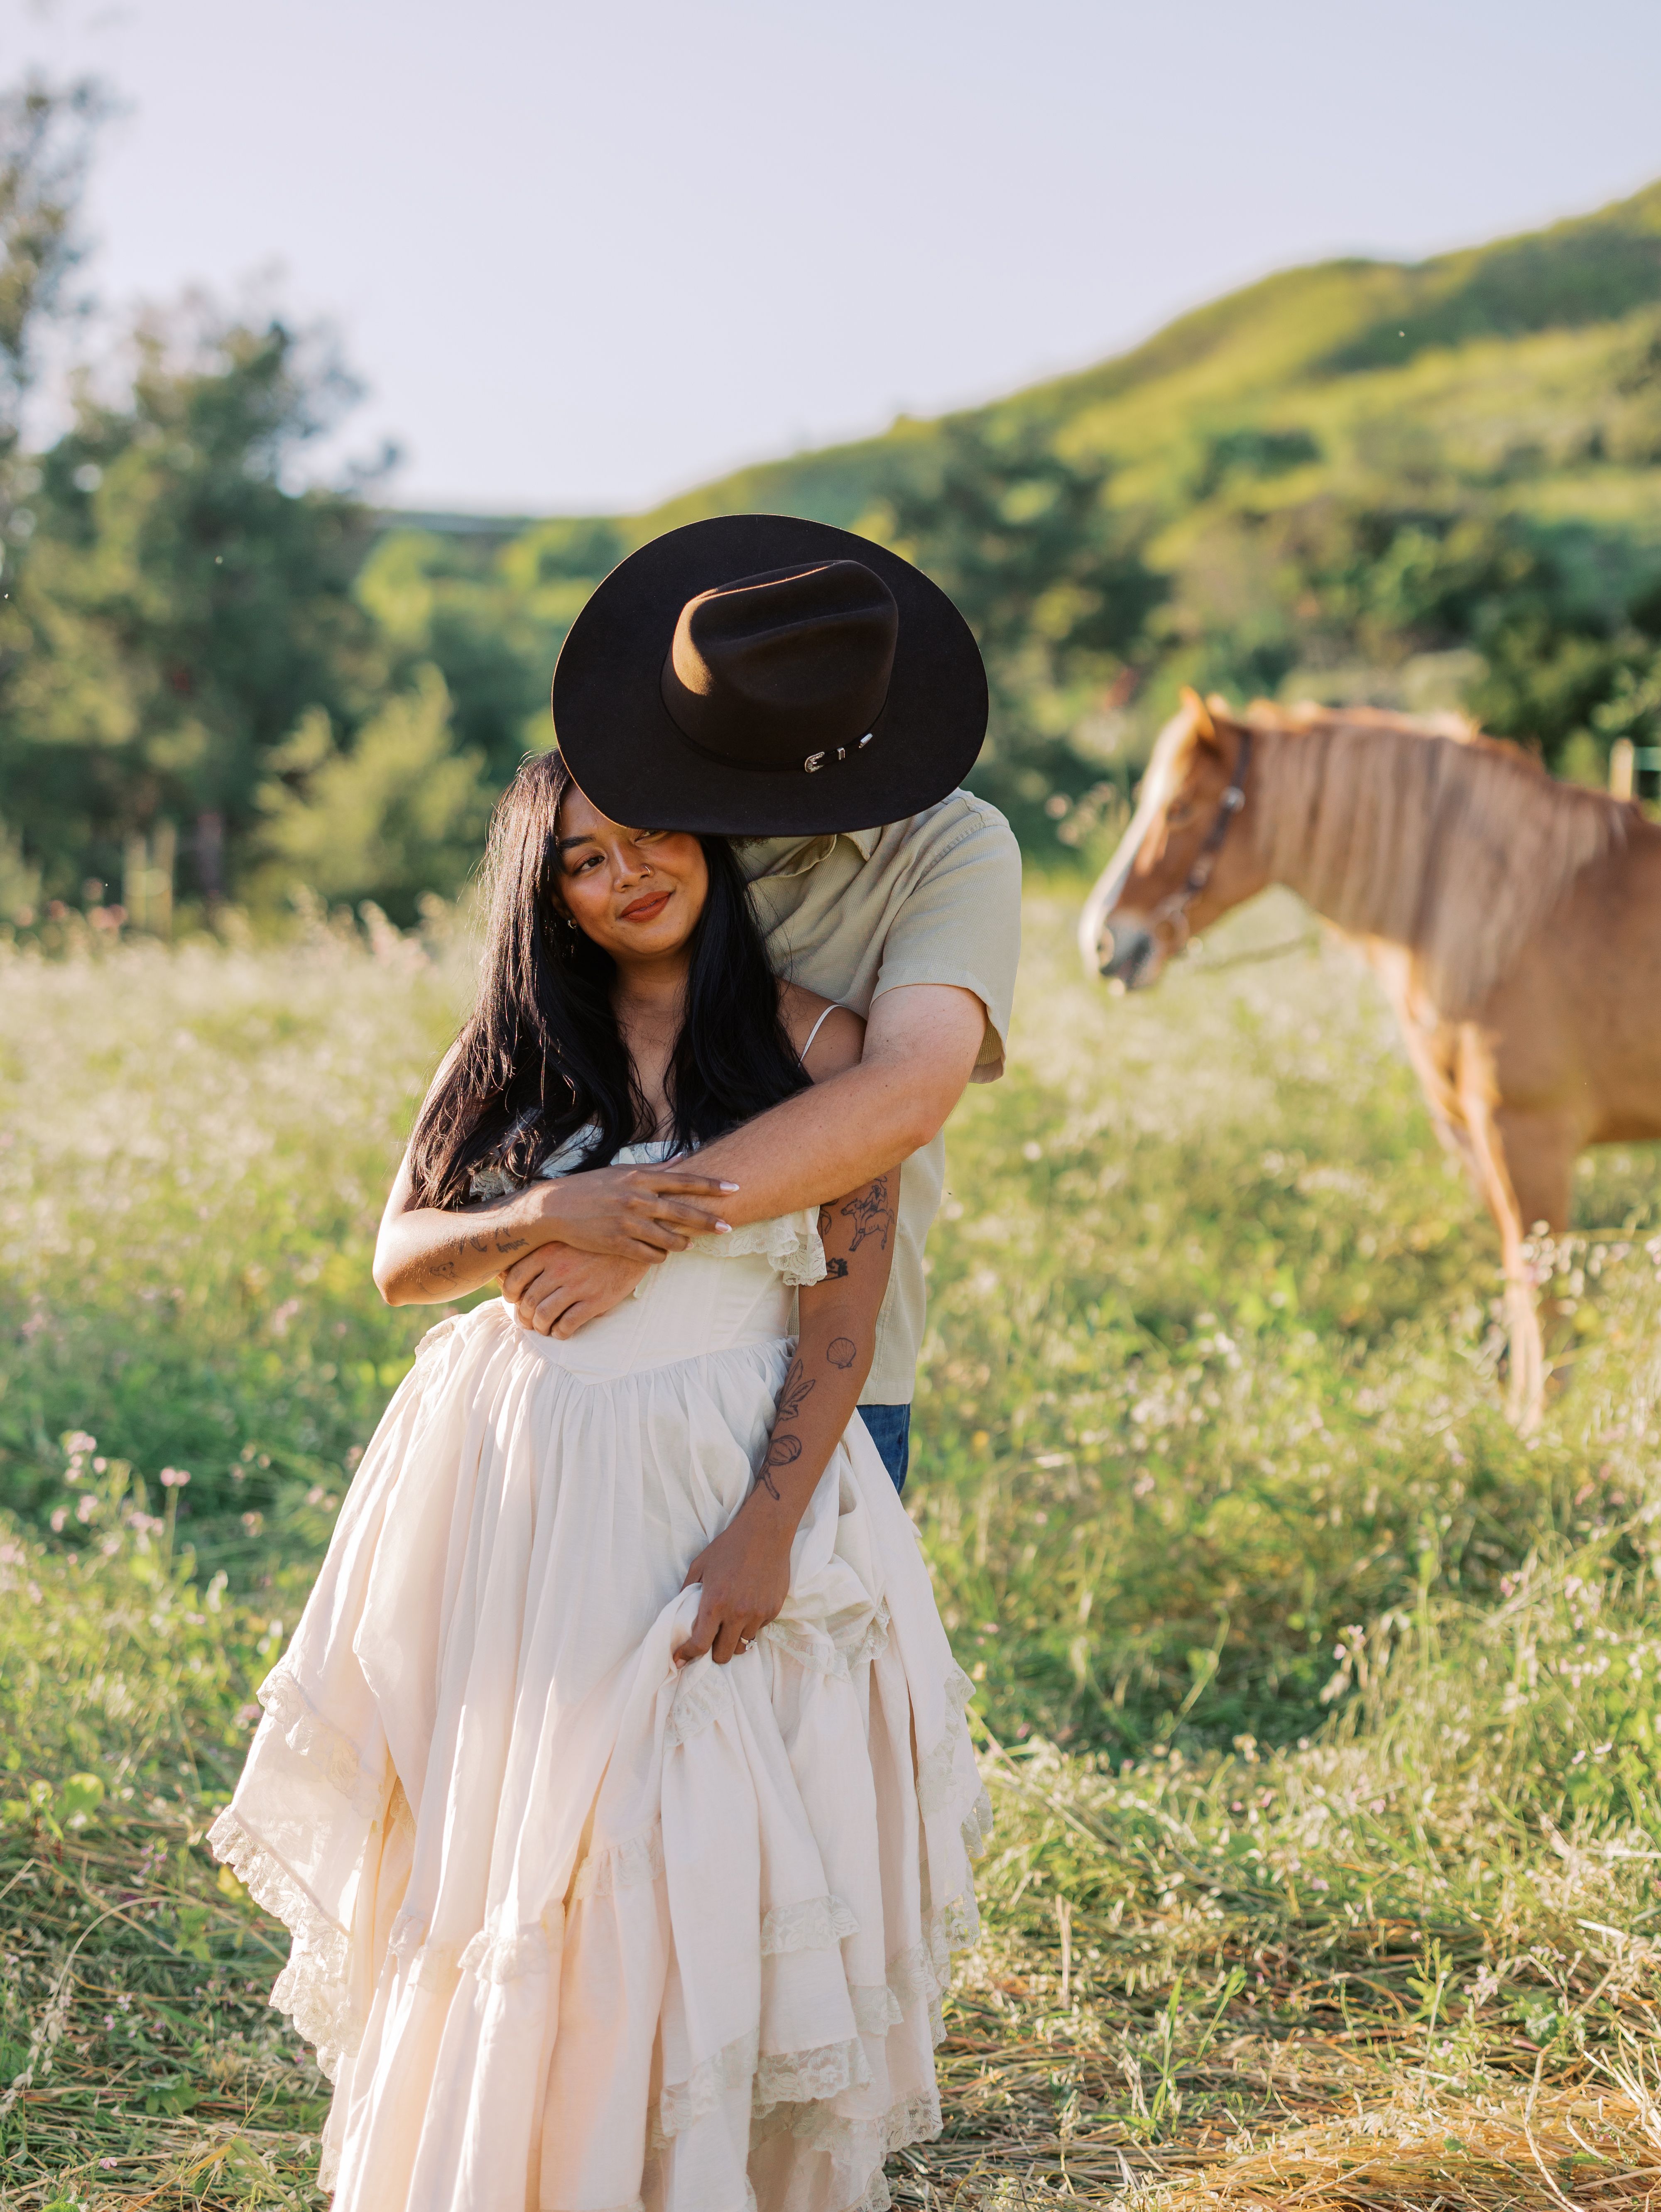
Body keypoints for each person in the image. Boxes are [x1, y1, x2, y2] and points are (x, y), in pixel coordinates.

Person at [211, 521, 1015, 2212]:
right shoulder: (531, 1021)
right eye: (591, 853)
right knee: (525, 1839)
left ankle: (696, 2158)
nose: (634, 863)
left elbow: (900, 1114)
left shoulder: (919, 889)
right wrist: (549, 1216)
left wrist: (633, 1225)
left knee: (734, 1827)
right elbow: (402, 1246)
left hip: (755, 1420)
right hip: (530, 1486)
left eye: (657, 840)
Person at [485, 515, 1023, 1493]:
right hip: (598, 1358)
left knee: (816, 1628)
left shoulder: (953, 847)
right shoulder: (624, 829)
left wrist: (639, 1240)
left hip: (827, 1354)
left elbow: (904, 1092)